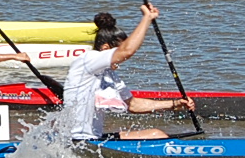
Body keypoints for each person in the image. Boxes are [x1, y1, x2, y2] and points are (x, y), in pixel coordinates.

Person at [63, 7, 194, 141]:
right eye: (118, 52)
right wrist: (147, 18)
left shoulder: (110, 75)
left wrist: (174, 104)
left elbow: (133, 105)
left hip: (93, 138)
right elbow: (127, 51)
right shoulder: (88, 59)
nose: (121, 61)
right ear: (106, 48)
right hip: (78, 140)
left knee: (157, 134)